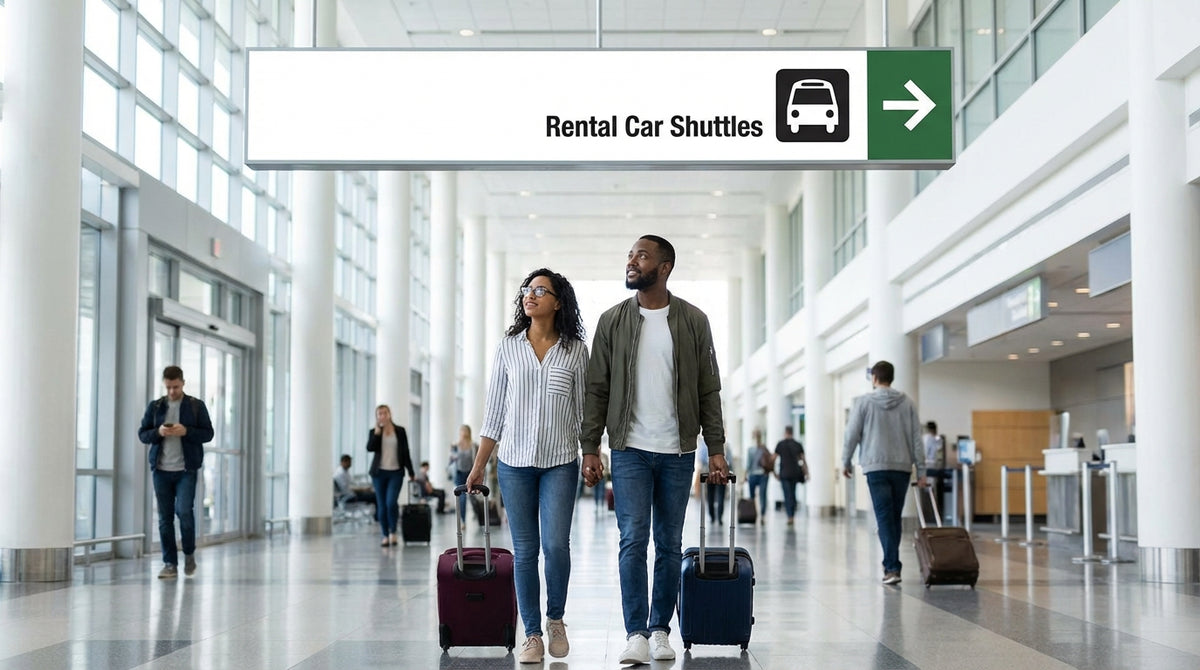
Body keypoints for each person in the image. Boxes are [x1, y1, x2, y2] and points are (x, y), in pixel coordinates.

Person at [580, 235, 727, 665]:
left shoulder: (694, 321)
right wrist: (590, 446)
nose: (631, 261)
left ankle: (661, 629)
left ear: (664, 267)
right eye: (629, 254)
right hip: (629, 449)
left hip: (679, 451)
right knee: (632, 541)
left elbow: (708, 389)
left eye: (641, 256)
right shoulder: (612, 320)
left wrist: (714, 448)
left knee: (668, 543)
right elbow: (597, 389)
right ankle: (635, 633)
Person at [467, 268, 590, 664]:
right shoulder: (508, 347)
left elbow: (585, 410)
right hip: (514, 464)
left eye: (540, 290)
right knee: (524, 551)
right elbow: (494, 412)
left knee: (555, 545)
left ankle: (556, 619)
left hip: (559, 462)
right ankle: (533, 633)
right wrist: (478, 465)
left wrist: (591, 453)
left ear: (558, 302)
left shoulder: (574, 350)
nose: (530, 295)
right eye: (527, 289)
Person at [841, 361, 926, 586]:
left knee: (885, 517)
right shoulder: (907, 403)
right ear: (892, 377)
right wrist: (922, 469)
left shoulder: (864, 403)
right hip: (902, 467)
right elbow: (917, 438)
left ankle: (891, 567)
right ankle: (892, 565)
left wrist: (845, 461)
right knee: (893, 517)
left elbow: (851, 435)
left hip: (875, 467)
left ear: (875, 378)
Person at [137, 365, 214, 579]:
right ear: (164, 384)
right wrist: (159, 432)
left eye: (176, 387)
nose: (172, 391)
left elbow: (208, 433)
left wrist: (186, 431)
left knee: (184, 512)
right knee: (164, 518)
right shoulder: (156, 407)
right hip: (160, 470)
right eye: (169, 387)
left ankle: (189, 553)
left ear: (183, 383)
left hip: (185, 470)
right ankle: (170, 562)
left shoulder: (195, 406)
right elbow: (143, 434)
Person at [366, 405, 415, 547]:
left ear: (389, 414)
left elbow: (406, 452)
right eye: (379, 414)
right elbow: (369, 448)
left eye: (384, 413)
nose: (382, 416)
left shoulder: (399, 431)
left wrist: (411, 472)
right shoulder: (374, 432)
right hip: (378, 473)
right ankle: (385, 535)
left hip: (396, 472)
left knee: (391, 503)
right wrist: (376, 433)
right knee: (381, 505)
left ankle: (393, 532)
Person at [774, 426, 807, 525]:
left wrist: (774, 472)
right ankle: (791, 515)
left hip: (784, 473)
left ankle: (790, 516)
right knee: (792, 494)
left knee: (787, 494)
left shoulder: (780, 444)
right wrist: (806, 472)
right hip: (795, 473)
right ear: (792, 433)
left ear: (785, 433)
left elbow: (773, 459)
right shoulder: (797, 444)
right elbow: (803, 460)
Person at [449, 426, 477, 523]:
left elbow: (476, 461)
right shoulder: (455, 446)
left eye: (465, 431)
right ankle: (463, 520)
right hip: (459, 473)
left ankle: (477, 514)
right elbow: (451, 460)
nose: (463, 433)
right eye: (462, 431)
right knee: (462, 498)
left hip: (470, 473)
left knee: (473, 497)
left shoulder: (473, 445)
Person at [746, 428, 772, 525]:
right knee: (752, 496)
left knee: (762, 495)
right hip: (752, 475)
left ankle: (762, 515)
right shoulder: (750, 449)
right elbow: (748, 464)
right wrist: (745, 476)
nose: (756, 437)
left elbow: (769, 460)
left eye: (758, 435)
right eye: (755, 435)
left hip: (763, 475)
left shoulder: (764, 448)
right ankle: (753, 514)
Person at [698, 439, 725, 524]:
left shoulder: (704, 444)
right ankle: (719, 517)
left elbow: (701, 459)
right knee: (721, 495)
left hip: (708, 471)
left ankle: (712, 516)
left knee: (710, 494)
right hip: (721, 471)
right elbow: (729, 459)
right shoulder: (723, 444)